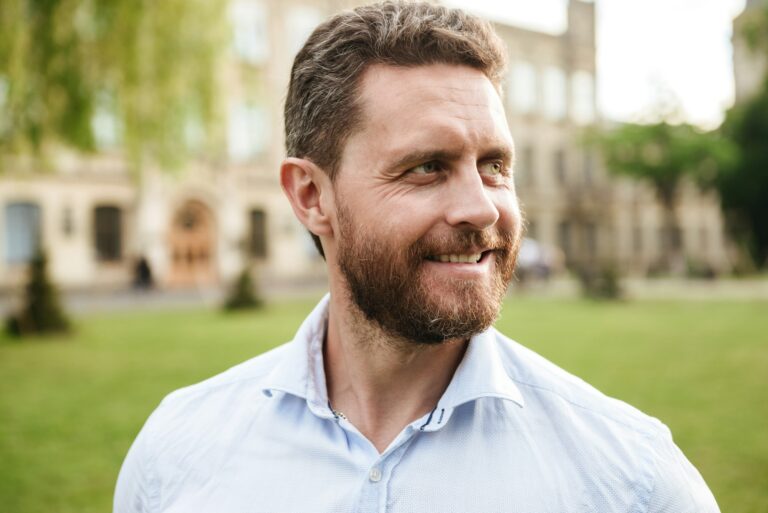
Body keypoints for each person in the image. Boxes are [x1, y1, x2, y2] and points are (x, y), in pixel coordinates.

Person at [114, 2, 720, 512]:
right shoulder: (176, 458)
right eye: (428, 167)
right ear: (311, 196)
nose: (482, 209)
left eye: (495, 166)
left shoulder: (632, 481)